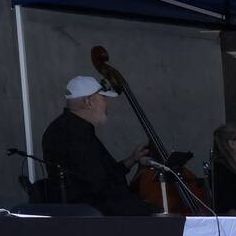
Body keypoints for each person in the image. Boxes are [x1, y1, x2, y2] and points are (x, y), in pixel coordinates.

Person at [40, 76, 154, 215]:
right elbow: (99, 184)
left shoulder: (68, 127)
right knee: (152, 212)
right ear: (88, 102)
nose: (107, 104)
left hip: (90, 206)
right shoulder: (75, 134)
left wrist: (131, 160)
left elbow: (99, 174)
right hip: (89, 212)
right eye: (103, 98)